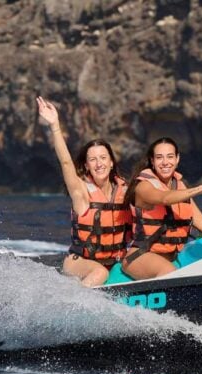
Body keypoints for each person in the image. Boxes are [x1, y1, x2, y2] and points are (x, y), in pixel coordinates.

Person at [36, 96, 132, 287]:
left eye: (103, 158)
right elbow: (65, 162)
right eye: (93, 160)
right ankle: (75, 307)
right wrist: (55, 125)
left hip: (114, 260)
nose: (99, 164)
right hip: (80, 262)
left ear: (112, 162)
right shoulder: (81, 192)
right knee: (99, 272)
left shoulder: (125, 191)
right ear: (87, 166)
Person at [122, 137, 202, 280]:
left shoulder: (179, 187)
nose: (165, 162)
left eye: (170, 156)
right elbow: (164, 198)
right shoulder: (143, 186)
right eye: (159, 157)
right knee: (169, 272)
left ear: (177, 159)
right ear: (152, 161)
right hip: (140, 256)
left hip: (173, 256)